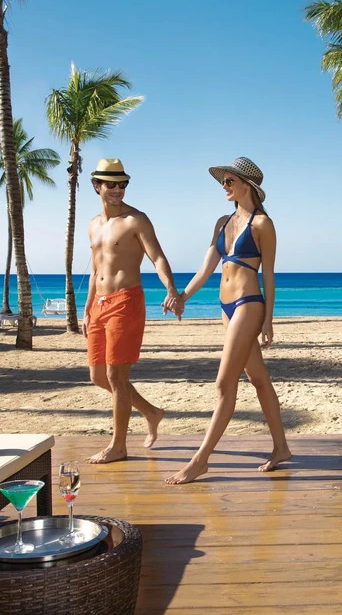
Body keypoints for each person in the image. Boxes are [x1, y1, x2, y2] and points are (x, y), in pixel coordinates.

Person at [164, 156, 291, 484]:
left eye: (229, 181)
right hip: (225, 306)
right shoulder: (222, 222)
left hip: (249, 304)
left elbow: (270, 275)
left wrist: (269, 320)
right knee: (259, 379)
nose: (224, 186)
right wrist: (181, 297)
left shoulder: (263, 225)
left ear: (247, 186)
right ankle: (281, 448)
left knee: (224, 384)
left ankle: (200, 459)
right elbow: (206, 267)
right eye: (223, 181)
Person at [84, 158, 183, 464]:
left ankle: (118, 446)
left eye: (122, 184)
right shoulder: (92, 224)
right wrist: (86, 308)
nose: (117, 190)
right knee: (98, 376)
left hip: (126, 301)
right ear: (97, 186)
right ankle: (152, 412)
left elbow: (158, 258)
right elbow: (96, 269)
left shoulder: (136, 220)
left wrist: (171, 289)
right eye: (111, 184)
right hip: (98, 304)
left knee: (115, 375)